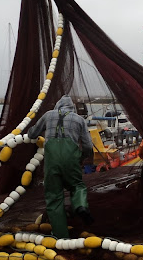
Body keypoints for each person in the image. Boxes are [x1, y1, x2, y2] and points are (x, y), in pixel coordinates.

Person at [27, 95, 94, 238]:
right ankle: (80, 206)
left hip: (52, 161)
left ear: (57, 106)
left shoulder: (48, 115)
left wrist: (31, 134)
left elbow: (33, 133)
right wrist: (81, 158)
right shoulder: (79, 120)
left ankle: (61, 237)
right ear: (72, 108)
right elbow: (88, 146)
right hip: (71, 159)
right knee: (77, 185)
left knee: (54, 196)